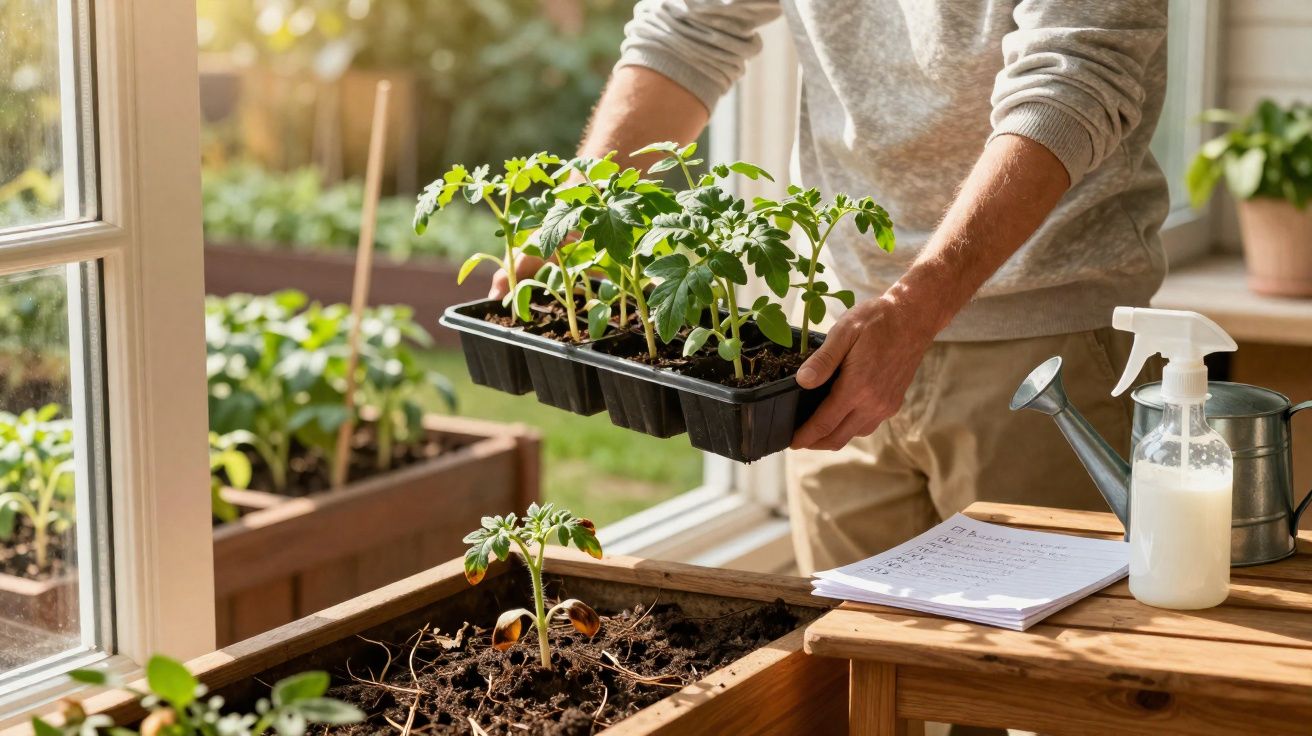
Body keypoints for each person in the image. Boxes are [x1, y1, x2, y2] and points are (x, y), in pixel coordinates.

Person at [491, 0, 1169, 574]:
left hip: (1041, 348)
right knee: (852, 682)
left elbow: (1076, 78)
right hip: (831, 348)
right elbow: (689, 27)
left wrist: (914, 310)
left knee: (1046, 691)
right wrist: (577, 213)